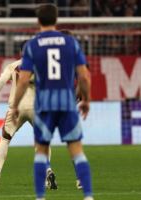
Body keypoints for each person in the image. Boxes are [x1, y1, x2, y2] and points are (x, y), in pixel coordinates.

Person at [11, 4, 93, 200]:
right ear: (56, 20)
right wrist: (86, 100)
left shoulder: (32, 45)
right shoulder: (70, 43)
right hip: (66, 103)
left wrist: (14, 105)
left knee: (41, 151)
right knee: (77, 151)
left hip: (44, 105)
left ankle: (40, 197)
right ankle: (88, 196)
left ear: (38, 20)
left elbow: (23, 80)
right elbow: (84, 76)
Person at [0, 45, 57, 190]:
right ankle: (47, 171)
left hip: (16, 108)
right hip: (37, 108)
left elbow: (0, 83)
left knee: (5, 140)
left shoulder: (13, 66)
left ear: (21, 52)